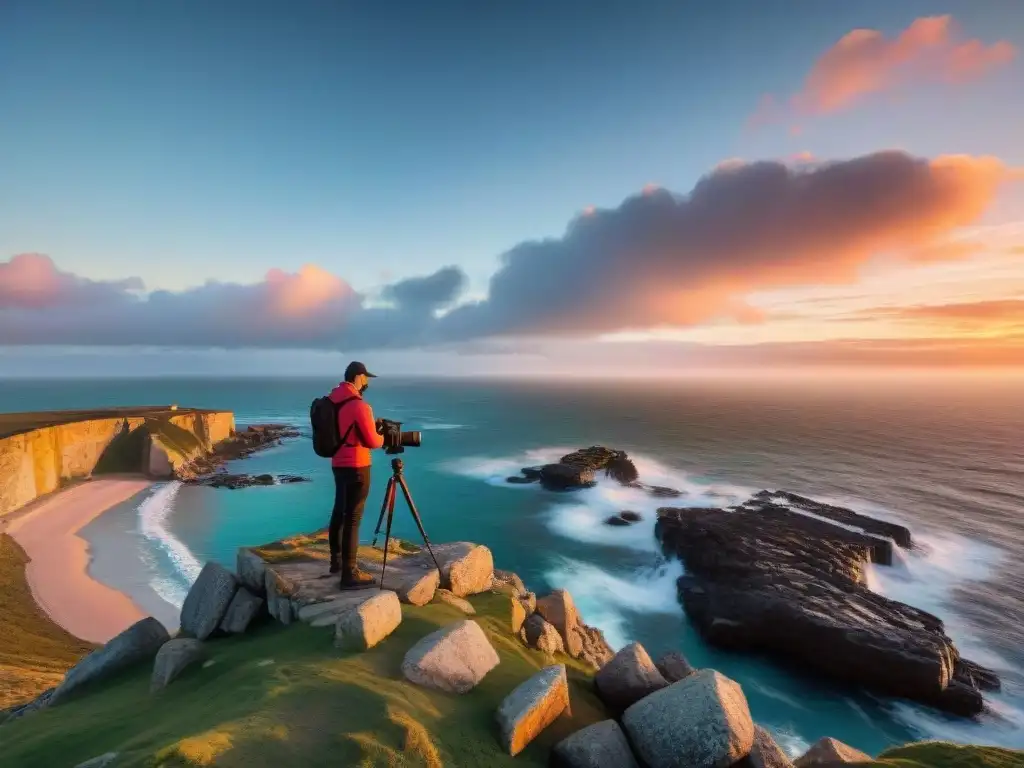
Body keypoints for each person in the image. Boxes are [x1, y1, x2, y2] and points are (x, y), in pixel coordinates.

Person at [327, 361, 384, 588]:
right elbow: (372, 441)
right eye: (366, 377)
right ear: (359, 377)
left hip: (338, 463)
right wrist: (383, 436)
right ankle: (349, 574)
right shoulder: (360, 406)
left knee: (339, 511)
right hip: (358, 465)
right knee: (353, 517)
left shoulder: (332, 400)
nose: (367, 382)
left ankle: (336, 562)